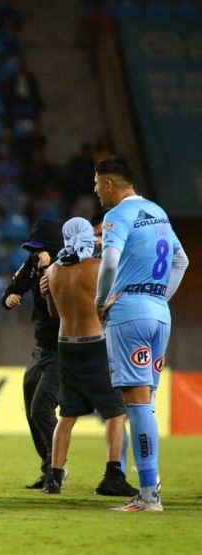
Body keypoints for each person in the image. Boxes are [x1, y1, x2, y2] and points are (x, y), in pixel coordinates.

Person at [93, 156, 189, 512]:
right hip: (159, 314)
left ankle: (149, 495)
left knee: (136, 405)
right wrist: (157, 296)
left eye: (96, 184)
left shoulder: (117, 215)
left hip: (129, 313)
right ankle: (149, 489)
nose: (95, 191)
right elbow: (182, 261)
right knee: (144, 402)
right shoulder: (158, 212)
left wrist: (101, 300)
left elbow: (110, 261)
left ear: (107, 184)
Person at [42, 217, 137, 497]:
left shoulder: (53, 271)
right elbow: (103, 307)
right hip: (93, 345)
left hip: (65, 346)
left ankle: (54, 478)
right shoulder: (96, 268)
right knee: (116, 413)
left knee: (67, 416)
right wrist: (117, 297)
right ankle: (112, 475)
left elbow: (53, 313)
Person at [2, 219, 63, 489]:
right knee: (31, 410)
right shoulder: (32, 264)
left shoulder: (67, 266)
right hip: (40, 348)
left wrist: (48, 269)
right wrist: (10, 299)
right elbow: (12, 288)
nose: (35, 253)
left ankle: (56, 467)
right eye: (33, 249)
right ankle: (48, 465)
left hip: (63, 349)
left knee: (41, 408)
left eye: (39, 248)